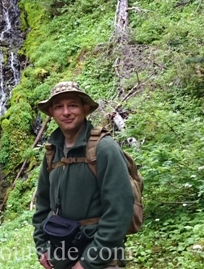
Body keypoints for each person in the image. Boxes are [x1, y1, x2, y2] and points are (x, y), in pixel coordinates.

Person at [32, 81, 134, 269]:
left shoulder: (104, 149)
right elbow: (42, 206)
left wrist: (88, 262)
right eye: (59, 107)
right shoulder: (52, 152)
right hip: (60, 254)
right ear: (52, 113)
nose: (66, 112)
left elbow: (119, 211)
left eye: (72, 105)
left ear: (85, 109)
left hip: (101, 258)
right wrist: (42, 247)